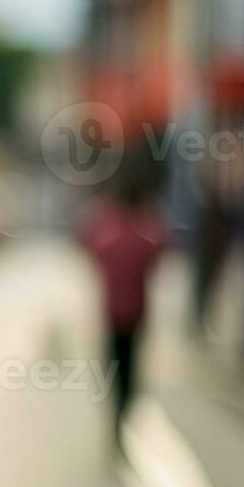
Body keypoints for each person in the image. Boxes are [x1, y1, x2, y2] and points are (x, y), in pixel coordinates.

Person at [78, 167, 164, 450]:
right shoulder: (144, 228)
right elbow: (157, 252)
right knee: (129, 371)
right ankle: (122, 415)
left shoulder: (107, 228)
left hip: (114, 313)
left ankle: (118, 417)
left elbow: (89, 246)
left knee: (115, 369)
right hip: (134, 313)